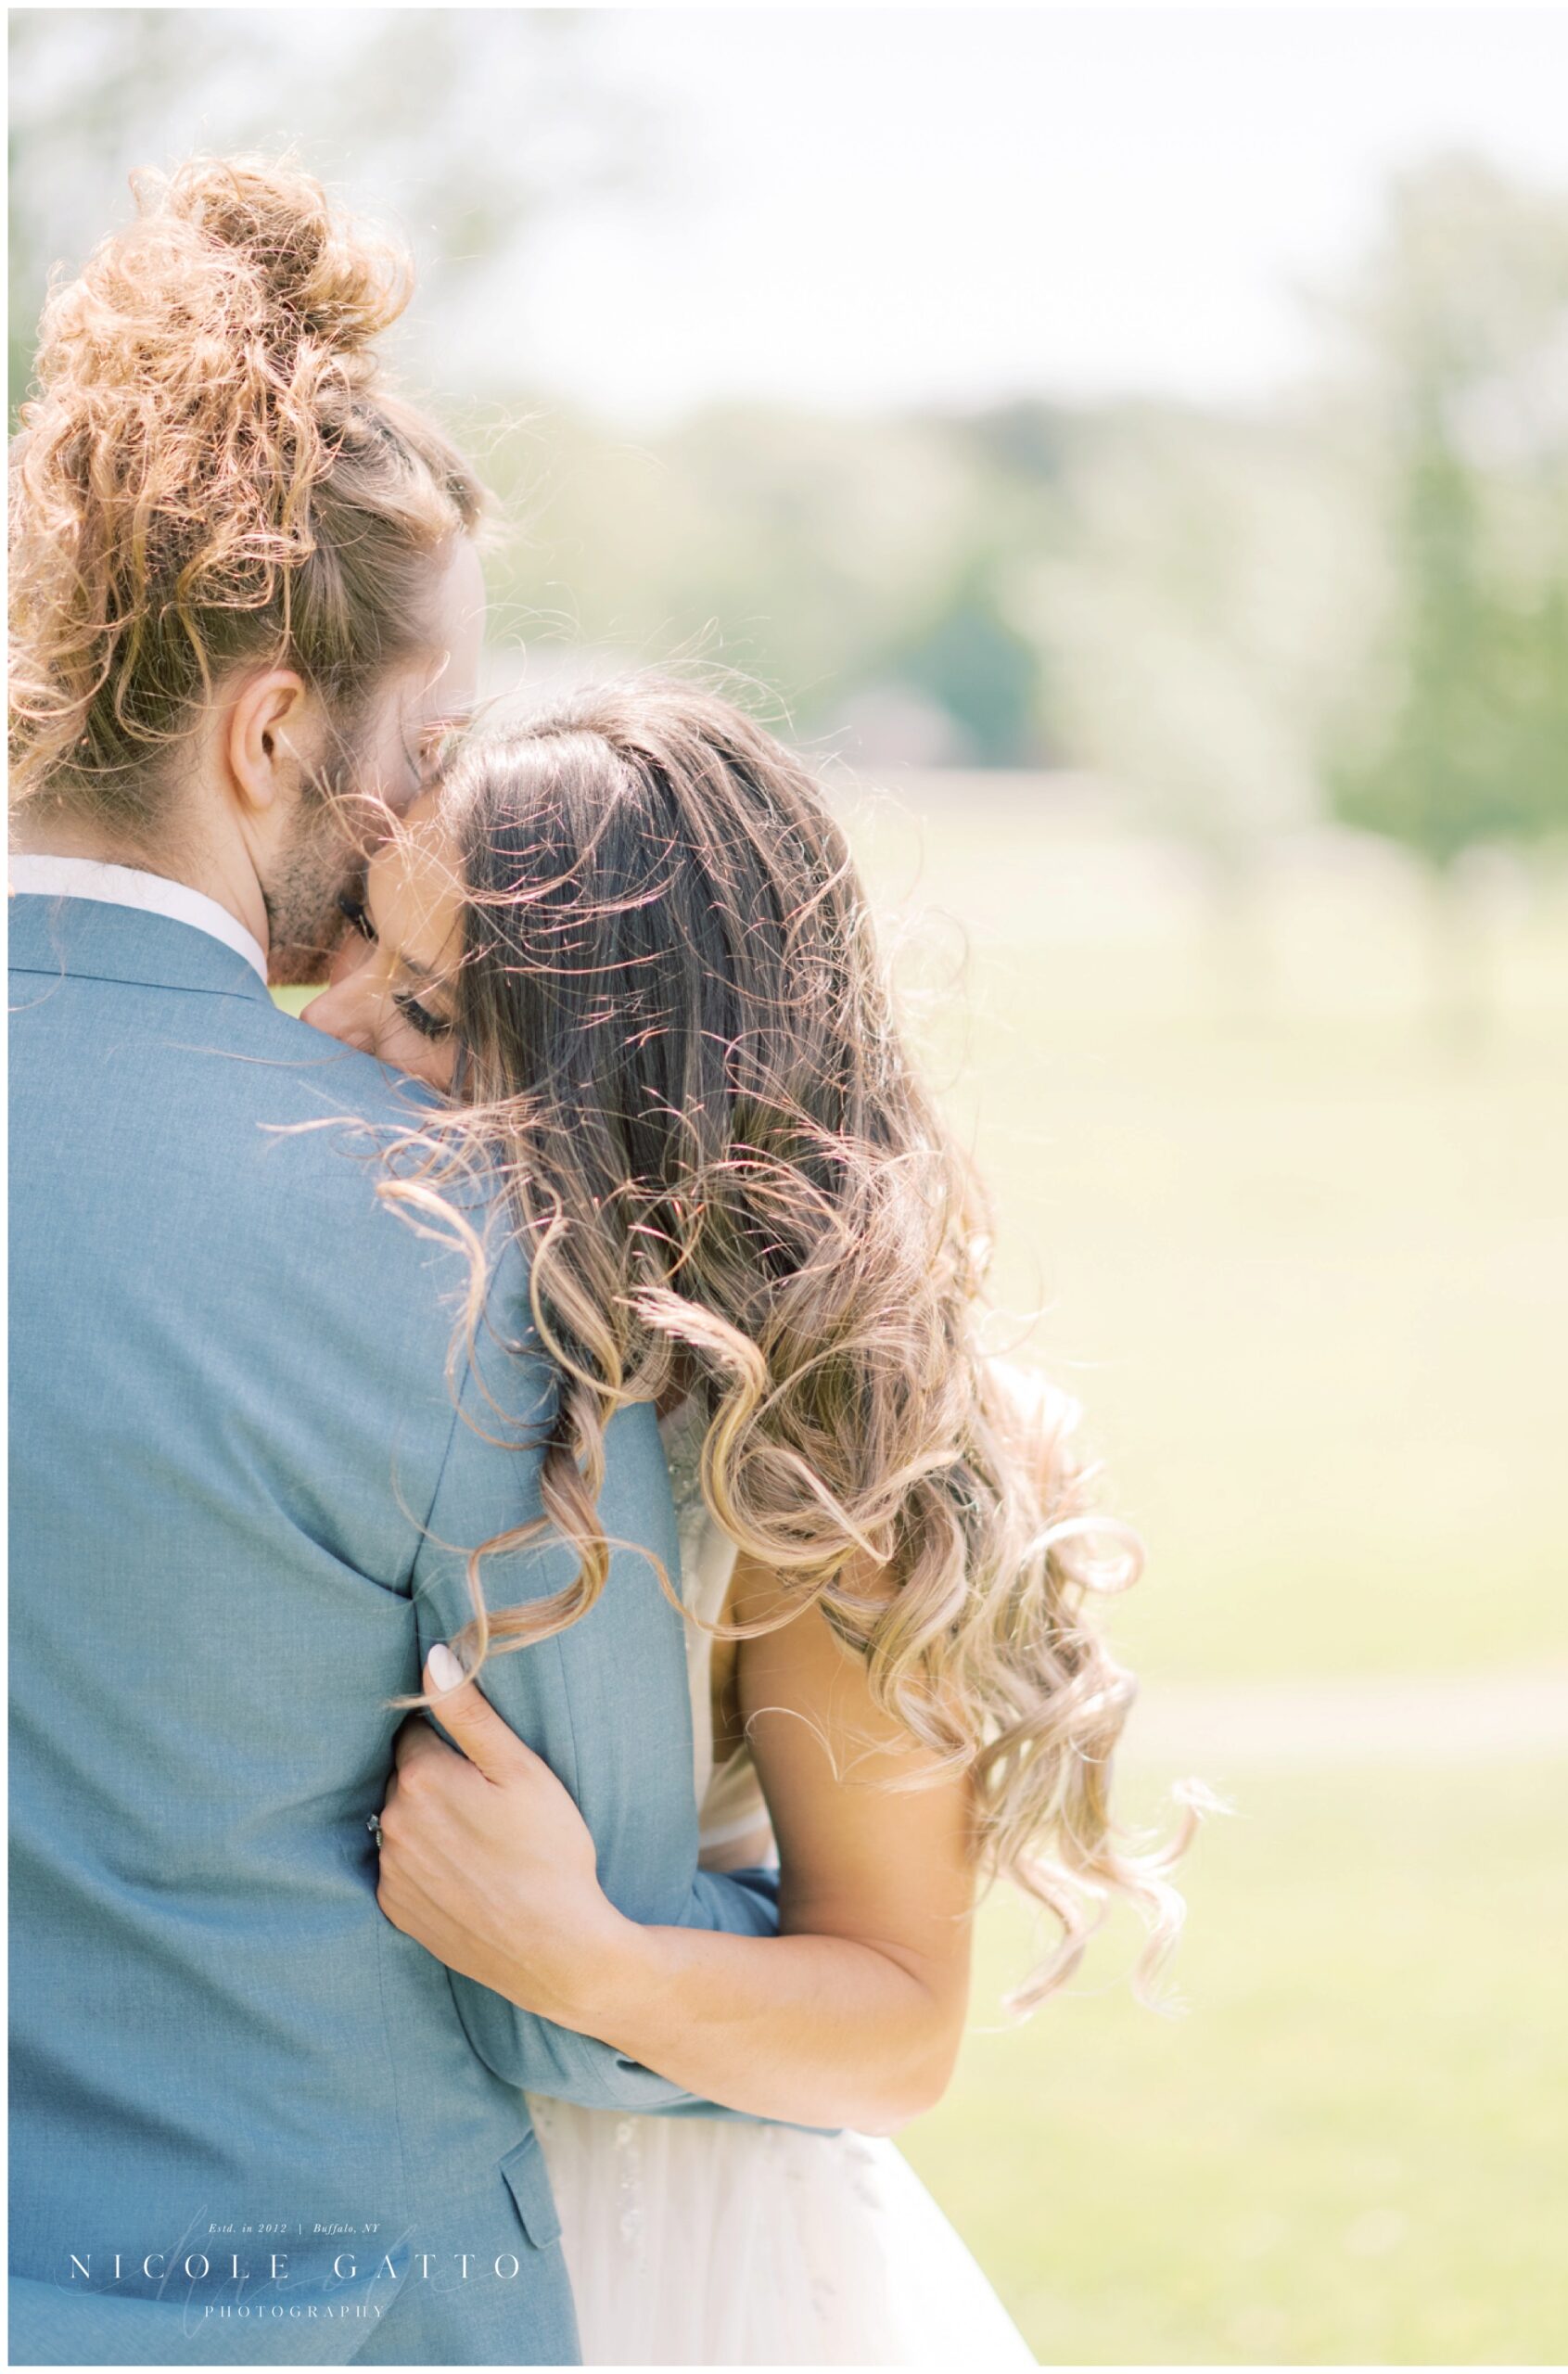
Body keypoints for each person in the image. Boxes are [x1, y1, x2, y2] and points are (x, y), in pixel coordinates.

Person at [7, 159, 784, 2369]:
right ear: (271, 733)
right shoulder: (446, 1235)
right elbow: (582, 1976)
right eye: (427, 744)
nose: (447, 808)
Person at [301, 683, 1215, 2365]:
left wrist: (586, 1959)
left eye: (427, 1009)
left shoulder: (808, 1455)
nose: (332, 1021)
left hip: (665, 2260)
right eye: (352, 935)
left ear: (620, 1086)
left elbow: (898, 2022)